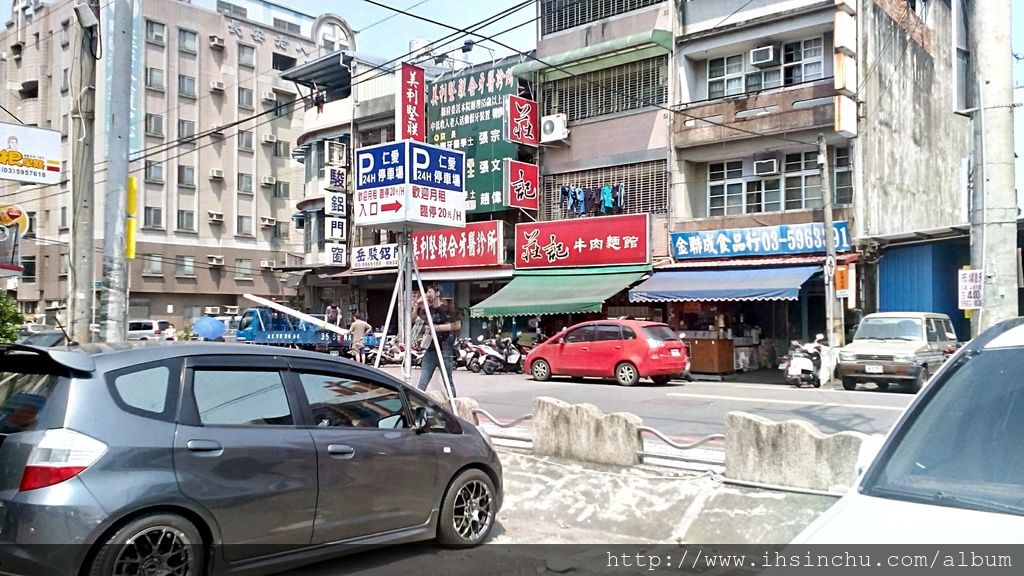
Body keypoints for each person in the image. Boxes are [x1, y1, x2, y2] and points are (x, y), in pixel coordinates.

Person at [414, 286, 458, 396]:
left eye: (429, 291)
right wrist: (416, 305)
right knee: (423, 382)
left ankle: (454, 405)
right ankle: (416, 405)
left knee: (448, 381)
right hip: (431, 349)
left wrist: (436, 328)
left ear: (437, 293)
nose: (427, 294)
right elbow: (414, 318)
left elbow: (457, 324)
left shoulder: (446, 309)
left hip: (444, 349)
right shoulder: (427, 310)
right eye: (426, 292)